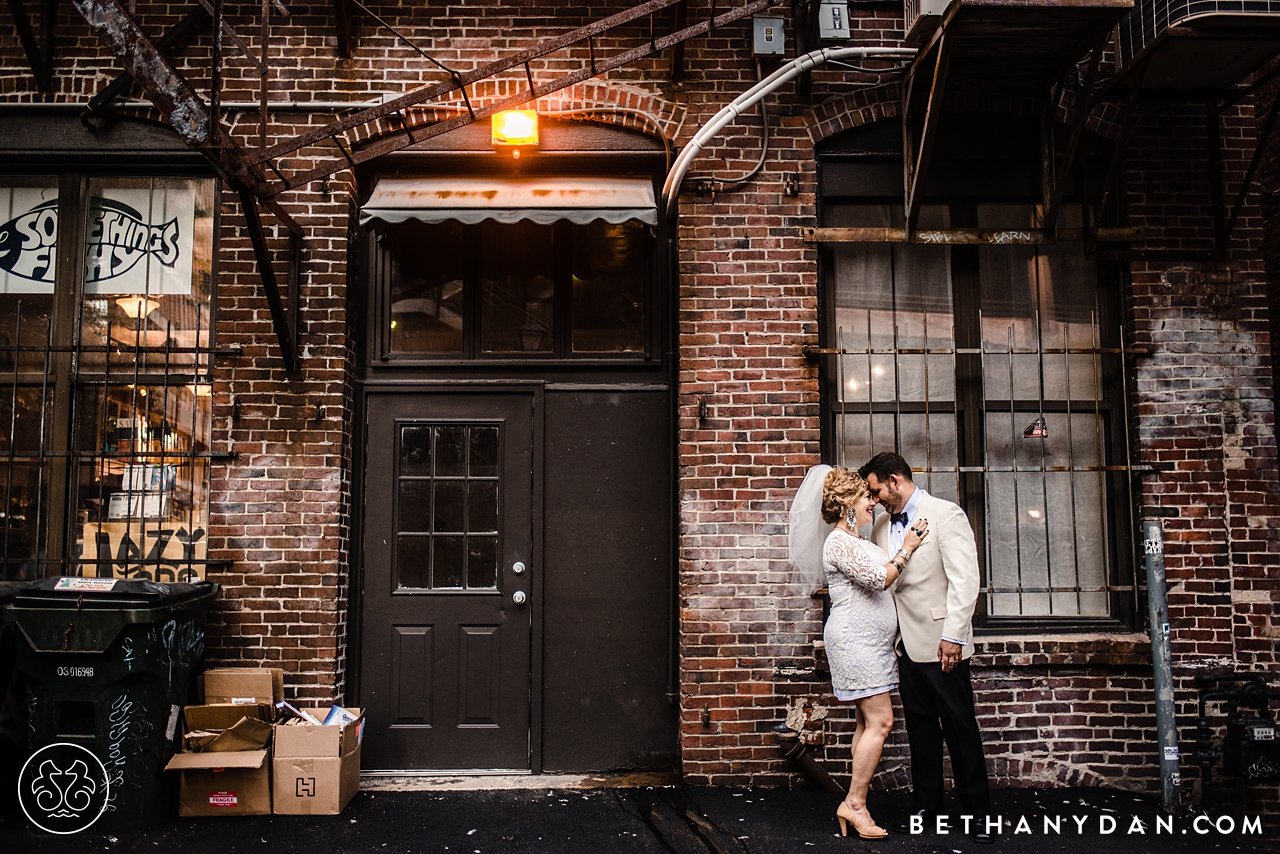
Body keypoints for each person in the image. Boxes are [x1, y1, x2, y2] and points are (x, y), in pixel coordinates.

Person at [857, 452, 992, 844]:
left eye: (878, 490)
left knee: (960, 730)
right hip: (905, 648)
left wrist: (954, 636)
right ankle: (925, 811)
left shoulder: (945, 514)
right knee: (920, 733)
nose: (876, 498)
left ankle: (978, 815)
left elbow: (965, 582)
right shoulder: (882, 526)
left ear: (895, 480)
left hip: (941, 646)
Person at [818, 467, 928, 839]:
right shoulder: (838, 542)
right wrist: (907, 548)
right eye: (867, 498)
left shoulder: (858, 540)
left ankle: (855, 802)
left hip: (873, 645)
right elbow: (879, 579)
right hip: (854, 642)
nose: (873, 503)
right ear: (850, 503)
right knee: (881, 722)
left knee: (868, 724)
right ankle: (854, 804)